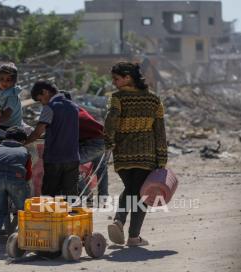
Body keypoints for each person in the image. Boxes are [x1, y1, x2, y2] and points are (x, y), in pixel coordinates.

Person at [105, 62, 167, 247]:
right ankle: (133, 236)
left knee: (131, 189)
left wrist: (109, 141)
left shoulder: (117, 98)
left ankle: (120, 221)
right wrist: (162, 157)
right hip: (147, 155)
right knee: (140, 194)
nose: (114, 82)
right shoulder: (154, 100)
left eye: (117, 79)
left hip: (122, 154)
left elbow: (111, 121)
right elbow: (160, 131)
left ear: (128, 77)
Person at [26, 80, 80, 197]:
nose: (42, 103)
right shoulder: (74, 106)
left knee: (49, 197)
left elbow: (38, 132)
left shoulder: (50, 107)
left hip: (54, 158)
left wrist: (24, 143)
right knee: (71, 197)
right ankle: (69, 215)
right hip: (73, 158)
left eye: (40, 100)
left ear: (45, 92)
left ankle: (49, 216)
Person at [0, 126, 32, 252]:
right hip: (17, 180)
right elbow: (29, 174)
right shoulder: (24, 151)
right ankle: (25, 241)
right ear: (22, 140)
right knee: (24, 211)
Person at [62, 91, 109, 204]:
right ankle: (103, 198)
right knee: (101, 168)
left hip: (95, 143)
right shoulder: (76, 109)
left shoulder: (69, 113)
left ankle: (87, 195)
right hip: (101, 140)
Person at [0, 63, 23, 130]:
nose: (4, 82)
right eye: (1, 79)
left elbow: (6, 116)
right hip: (2, 123)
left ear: (14, 81)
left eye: (8, 80)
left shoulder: (12, 96)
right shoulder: (0, 91)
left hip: (10, 127)